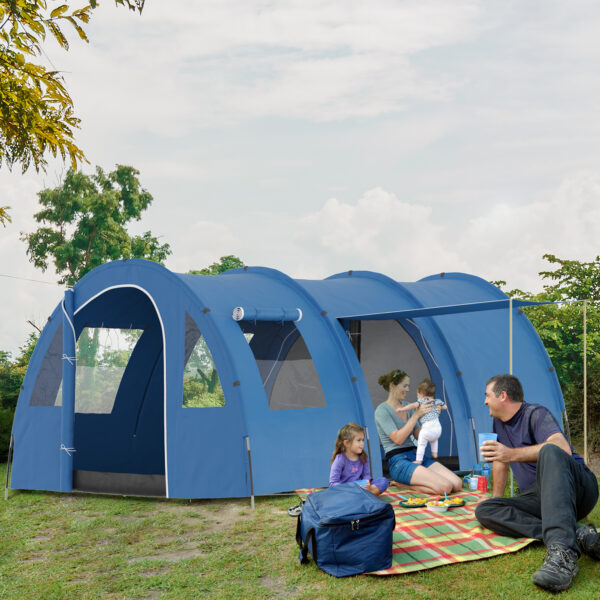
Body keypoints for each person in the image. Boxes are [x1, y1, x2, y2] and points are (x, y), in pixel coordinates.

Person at [475, 374, 600, 593]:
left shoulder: (535, 414)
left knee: (550, 450)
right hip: (540, 497)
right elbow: (500, 461)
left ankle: (563, 554)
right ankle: (577, 534)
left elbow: (561, 448)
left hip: (576, 489)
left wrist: (511, 453)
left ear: (502, 395)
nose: (485, 401)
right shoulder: (498, 423)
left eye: (487, 395)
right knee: (486, 509)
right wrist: (497, 498)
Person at [374, 369, 462, 495]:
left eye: (409, 386)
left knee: (457, 484)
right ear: (392, 385)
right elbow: (398, 439)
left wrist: (431, 420)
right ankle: (403, 485)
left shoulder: (408, 406)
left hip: (416, 456)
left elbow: (418, 435)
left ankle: (420, 482)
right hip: (398, 461)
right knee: (445, 488)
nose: (408, 389)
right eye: (405, 386)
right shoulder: (382, 411)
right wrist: (416, 416)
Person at [329, 422, 389, 495]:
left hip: (360, 487)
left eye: (363, 440)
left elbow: (366, 475)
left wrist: (366, 483)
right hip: (346, 489)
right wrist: (349, 488)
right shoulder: (340, 459)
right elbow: (333, 483)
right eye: (358, 440)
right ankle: (365, 495)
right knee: (336, 491)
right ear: (347, 443)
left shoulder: (363, 456)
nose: (362, 443)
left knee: (384, 481)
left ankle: (365, 494)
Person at [398, 379, 447, 464]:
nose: (417, 396)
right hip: (438, 429)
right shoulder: (437, 401)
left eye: (417, 394)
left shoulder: (422, 401)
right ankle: (435, 454)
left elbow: (412, 405)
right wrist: (440, 407)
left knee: (421, 443)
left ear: (422, 394)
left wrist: (402, 409)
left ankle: (419, 460)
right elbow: (445, 407)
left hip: (428, 428)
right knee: (434, 440)